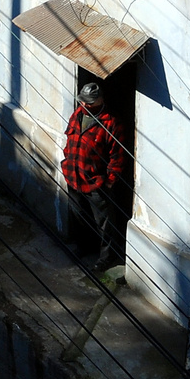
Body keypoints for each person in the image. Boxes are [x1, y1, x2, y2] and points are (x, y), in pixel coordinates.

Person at [61, 82, 127, 270]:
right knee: (79, 216)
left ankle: (108, 257)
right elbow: (70, 140)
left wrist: (109, 183)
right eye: (83, 102)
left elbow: (118, 157)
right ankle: (85, 247)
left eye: (89, 103)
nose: (85, 106)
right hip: (73, 178)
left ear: (100, 101)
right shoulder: (77, 115)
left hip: (96, 184)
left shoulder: (111, 123)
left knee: (104, 224)